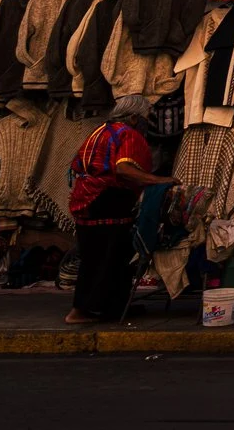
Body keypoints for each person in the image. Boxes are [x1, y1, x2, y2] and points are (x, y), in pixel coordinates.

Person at [64, 95, 171, 324]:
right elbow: (124, 169)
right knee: (107, 257)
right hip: (107, 199)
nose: (146, 123)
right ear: (134, 118)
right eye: (145, 118)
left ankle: (112, 308)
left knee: (103, 255)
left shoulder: (101, 130)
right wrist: (157, 180)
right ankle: (80, 311)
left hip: (86, 198)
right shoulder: (128, 134)